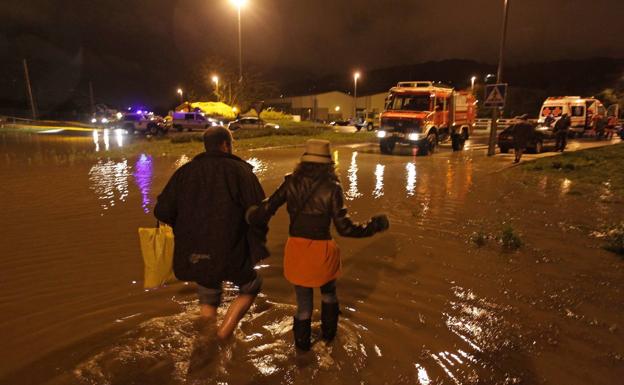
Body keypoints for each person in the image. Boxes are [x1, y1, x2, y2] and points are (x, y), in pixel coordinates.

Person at [247, 139, 390, 351]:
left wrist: (250, 216)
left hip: (297, 249)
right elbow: (345, 229)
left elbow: (267, 209)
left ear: (304, 161)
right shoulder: (333, 188)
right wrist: (374, 225)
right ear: (328, 164)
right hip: (322, 250)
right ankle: (329, 340)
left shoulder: (290, 182)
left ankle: (302, 351)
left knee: (303, 304)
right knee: (329, 294)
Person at [154, 126, 268, 340]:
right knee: (252, 284)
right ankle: (223, 334)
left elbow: (161, 211)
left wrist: (188, 224)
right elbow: (259, 214)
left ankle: (206, 339)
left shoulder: (184, 172)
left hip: (193, 251)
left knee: (208, 287)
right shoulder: (241, 172)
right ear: (226, 145)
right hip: (230, 249)